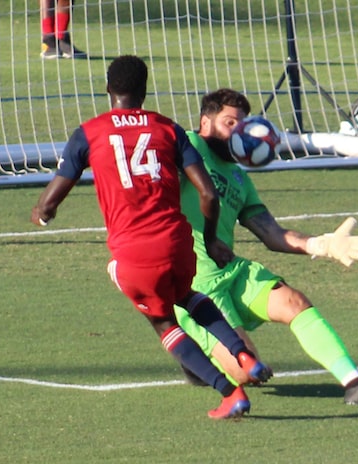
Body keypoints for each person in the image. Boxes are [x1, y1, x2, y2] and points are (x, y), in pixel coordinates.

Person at [31, 57, 272, 419]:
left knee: (163, 322)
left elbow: (51, 200)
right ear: (145, 91)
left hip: (135, 253)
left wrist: (42, 213)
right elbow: (207, 193)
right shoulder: (169, 129)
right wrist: (210, 240)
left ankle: (229, 393)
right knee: (187, 295)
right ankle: (243, 354)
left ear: (108, 89)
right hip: (178, 243)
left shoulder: (90, 132)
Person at [174, 88, 358, 407]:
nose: (237, 132)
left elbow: (271, 233)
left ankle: (355, 384)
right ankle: (193, 354)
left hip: (232, 270)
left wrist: (322, 245)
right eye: (229, 123)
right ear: (205, 123)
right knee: (247, 370)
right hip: (194, 284)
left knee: (295, 302)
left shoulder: (239, 178)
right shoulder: (189, 146)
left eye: (242, 124)